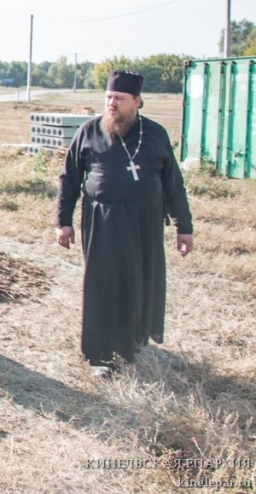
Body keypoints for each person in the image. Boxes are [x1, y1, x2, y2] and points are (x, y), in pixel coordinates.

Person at [56, 69, 194, 378]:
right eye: (108, 97)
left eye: (119, 98)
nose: (112, 104)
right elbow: (69, 179)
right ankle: (101, 355)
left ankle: (133, 339)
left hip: (145, 222)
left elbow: (173, 183)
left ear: (137, 102)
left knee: (140, 281)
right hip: (102, 221)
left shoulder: (155, 134)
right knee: (103, 285)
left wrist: (183, 227)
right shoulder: (89, 132)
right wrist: (63, 221)